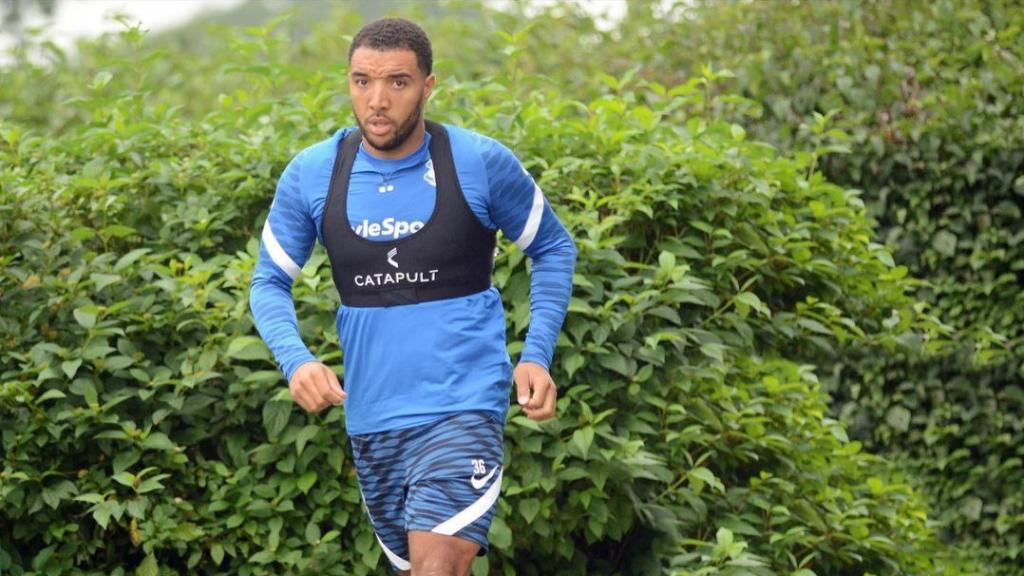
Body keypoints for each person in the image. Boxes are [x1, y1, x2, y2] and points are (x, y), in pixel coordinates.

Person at [248, 17, 576, 576]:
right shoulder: (314, 173)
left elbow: (553, 247)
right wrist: (295, 359)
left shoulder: (478, 162)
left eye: (397, 82)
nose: (377, 100)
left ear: (428, 86)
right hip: (373, 419)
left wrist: (537, 354)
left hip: (462, 405)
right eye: (362, 81)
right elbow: (267, 281)